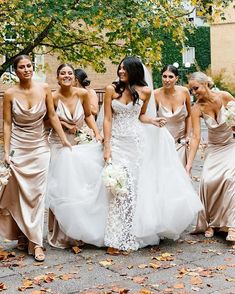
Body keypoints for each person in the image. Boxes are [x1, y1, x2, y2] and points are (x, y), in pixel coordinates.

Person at [102, 56, 202, 251]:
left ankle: (133, 231)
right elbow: (107, 119)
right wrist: (107, 146)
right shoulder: (111, 90)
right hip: (117, 143)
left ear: (134, 71)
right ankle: (115, 235)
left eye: (125, 69)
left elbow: (140, 116)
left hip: (137, 143)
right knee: (117, 188)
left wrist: (153, 122)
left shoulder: (145, 91)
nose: (121, 72)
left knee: (134, 188)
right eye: (119, 68)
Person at [0, 55, 71, 261]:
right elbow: (7, 124)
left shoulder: (45, 88)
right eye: (21, 67)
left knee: (37, 195)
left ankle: (36, 242)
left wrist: (65, 140)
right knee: (20, 193)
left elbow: (53, 115)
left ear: (33, 67)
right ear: (16, 71)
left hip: (40, 146)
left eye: (29, 65)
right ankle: (22, 235)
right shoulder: (10, 93)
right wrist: (6, 151)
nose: (26, 69)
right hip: (19, 148)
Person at [47, 64, 106, 248]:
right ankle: (63, 235)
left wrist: (96, 133)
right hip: (60, 144)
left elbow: (88, 116)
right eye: (62, 73)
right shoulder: (53, 97)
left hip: (81, 143)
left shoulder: (82, 94)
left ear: (74, 77)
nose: (66, 76)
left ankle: (81, 230)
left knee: (81, 186)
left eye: (69, 73)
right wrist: (64, 128)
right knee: (63, 187)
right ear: (57, 77)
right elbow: (48, 119)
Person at [187, 72, 235, 241]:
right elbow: (195, 137)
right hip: (214, 149)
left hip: (230, 146)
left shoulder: (225, 96)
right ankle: (211, 223)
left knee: (230, 179)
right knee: (207, 181)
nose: (194, 92)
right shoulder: (196, 109)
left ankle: (231, 226)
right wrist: (189, 165)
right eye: (191, 89)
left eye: (196, 88)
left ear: (206, 84)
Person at [154, 65, 191, 167]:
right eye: (164, 76)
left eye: (170, 77)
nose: (167, 80)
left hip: (181, 142)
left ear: (176, 78)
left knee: (181, 174)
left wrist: (188, 135)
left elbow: (189, 115)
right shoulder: (155, 94)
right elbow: (152, 118)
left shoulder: (184, 92)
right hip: (163, 142)